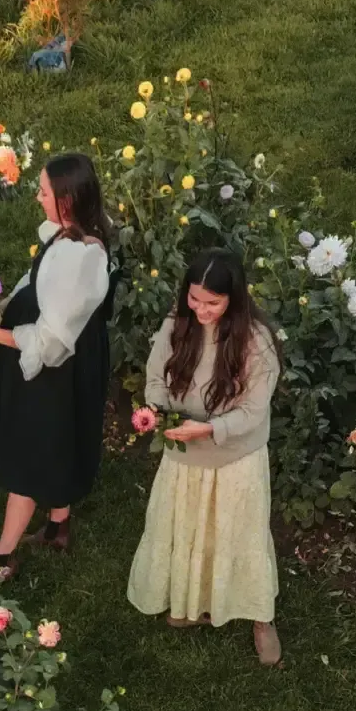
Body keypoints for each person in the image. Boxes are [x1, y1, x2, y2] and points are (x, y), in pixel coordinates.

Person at [0, 151, 114, 574]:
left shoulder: (82, 256)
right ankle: (57, 526)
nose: (38, 198)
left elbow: (50, 343)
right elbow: (39, 285)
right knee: (56, 439)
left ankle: (1, 557)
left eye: (43, 191)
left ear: (66, 200)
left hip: (56, 370)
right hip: (60, 364)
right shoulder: (66, 237)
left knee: (31, 449)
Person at [127, 247, 284, 666]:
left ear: (234, 299)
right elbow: (155, 377)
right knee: (189, 529)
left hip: (234, 455)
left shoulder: (256, 343)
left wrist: (212, 429)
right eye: (194, 298)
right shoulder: (177, 326)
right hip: (184, 451)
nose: (200, 309)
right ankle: (192, 600)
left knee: (239, 534)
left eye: (212, 303)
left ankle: (259, 617)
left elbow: (253, 411)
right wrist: (160, 411)